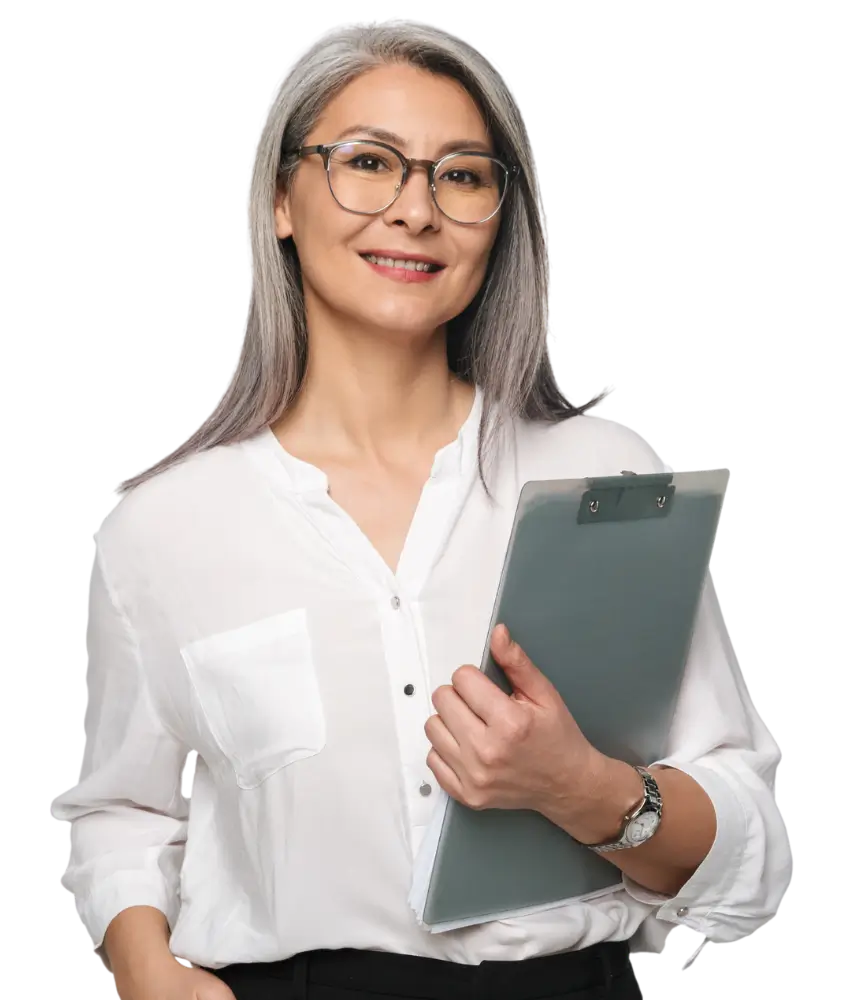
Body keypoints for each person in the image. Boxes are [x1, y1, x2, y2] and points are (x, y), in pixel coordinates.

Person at [55, 18, 791, 1000]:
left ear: (500, 214)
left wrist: (586, 790)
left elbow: (749, 849)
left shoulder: (606, 480)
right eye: (368, 162)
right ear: (280, 197)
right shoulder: (162, 528)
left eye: (462, 175)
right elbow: (126, 809)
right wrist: (144, 964)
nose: (415, 210)